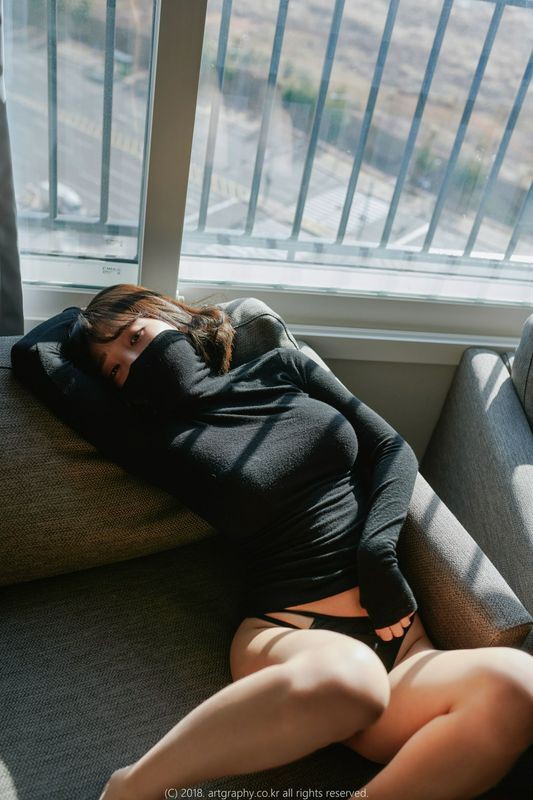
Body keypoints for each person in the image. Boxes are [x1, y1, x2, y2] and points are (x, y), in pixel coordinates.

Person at [63, 284, 533, 800]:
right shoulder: (151, 437)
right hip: (291, 629)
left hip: (404, 648)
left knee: (520, 685)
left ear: (172, 317)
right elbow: (31, 355)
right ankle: (130, 788)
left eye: (135, 337)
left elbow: (390, 448)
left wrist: (377, 552)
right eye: (114, 369)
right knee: (352, 677)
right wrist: (85, 323)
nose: (132, 361)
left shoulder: (281, 368)